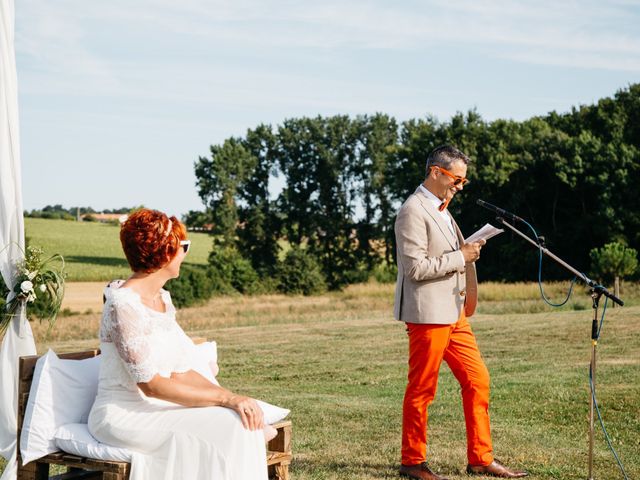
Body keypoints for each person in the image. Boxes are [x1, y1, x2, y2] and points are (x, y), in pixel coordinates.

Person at [88, 208, 270, 480]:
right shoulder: (121, 304)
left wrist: (234, 399)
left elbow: (180, 371)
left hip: (155, 407)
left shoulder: (162, 298)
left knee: (238, 420)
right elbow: (151, 385)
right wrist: (225, 399)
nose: (186, 253)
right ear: (164, 252)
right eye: (182, 246)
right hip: (121, 415)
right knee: (231, 426)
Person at [393, 146, 527, 480]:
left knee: (478, 379)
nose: (461, 186)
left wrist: (467, 253)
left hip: (455, 315)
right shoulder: (413, 210)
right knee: (422, 389)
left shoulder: (443, 210)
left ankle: (480, 458)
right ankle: (412, 462)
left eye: (464, 180)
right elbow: (414, 269)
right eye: (457, 178)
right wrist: (461, 256)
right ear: (436, 172)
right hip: (428, 316)